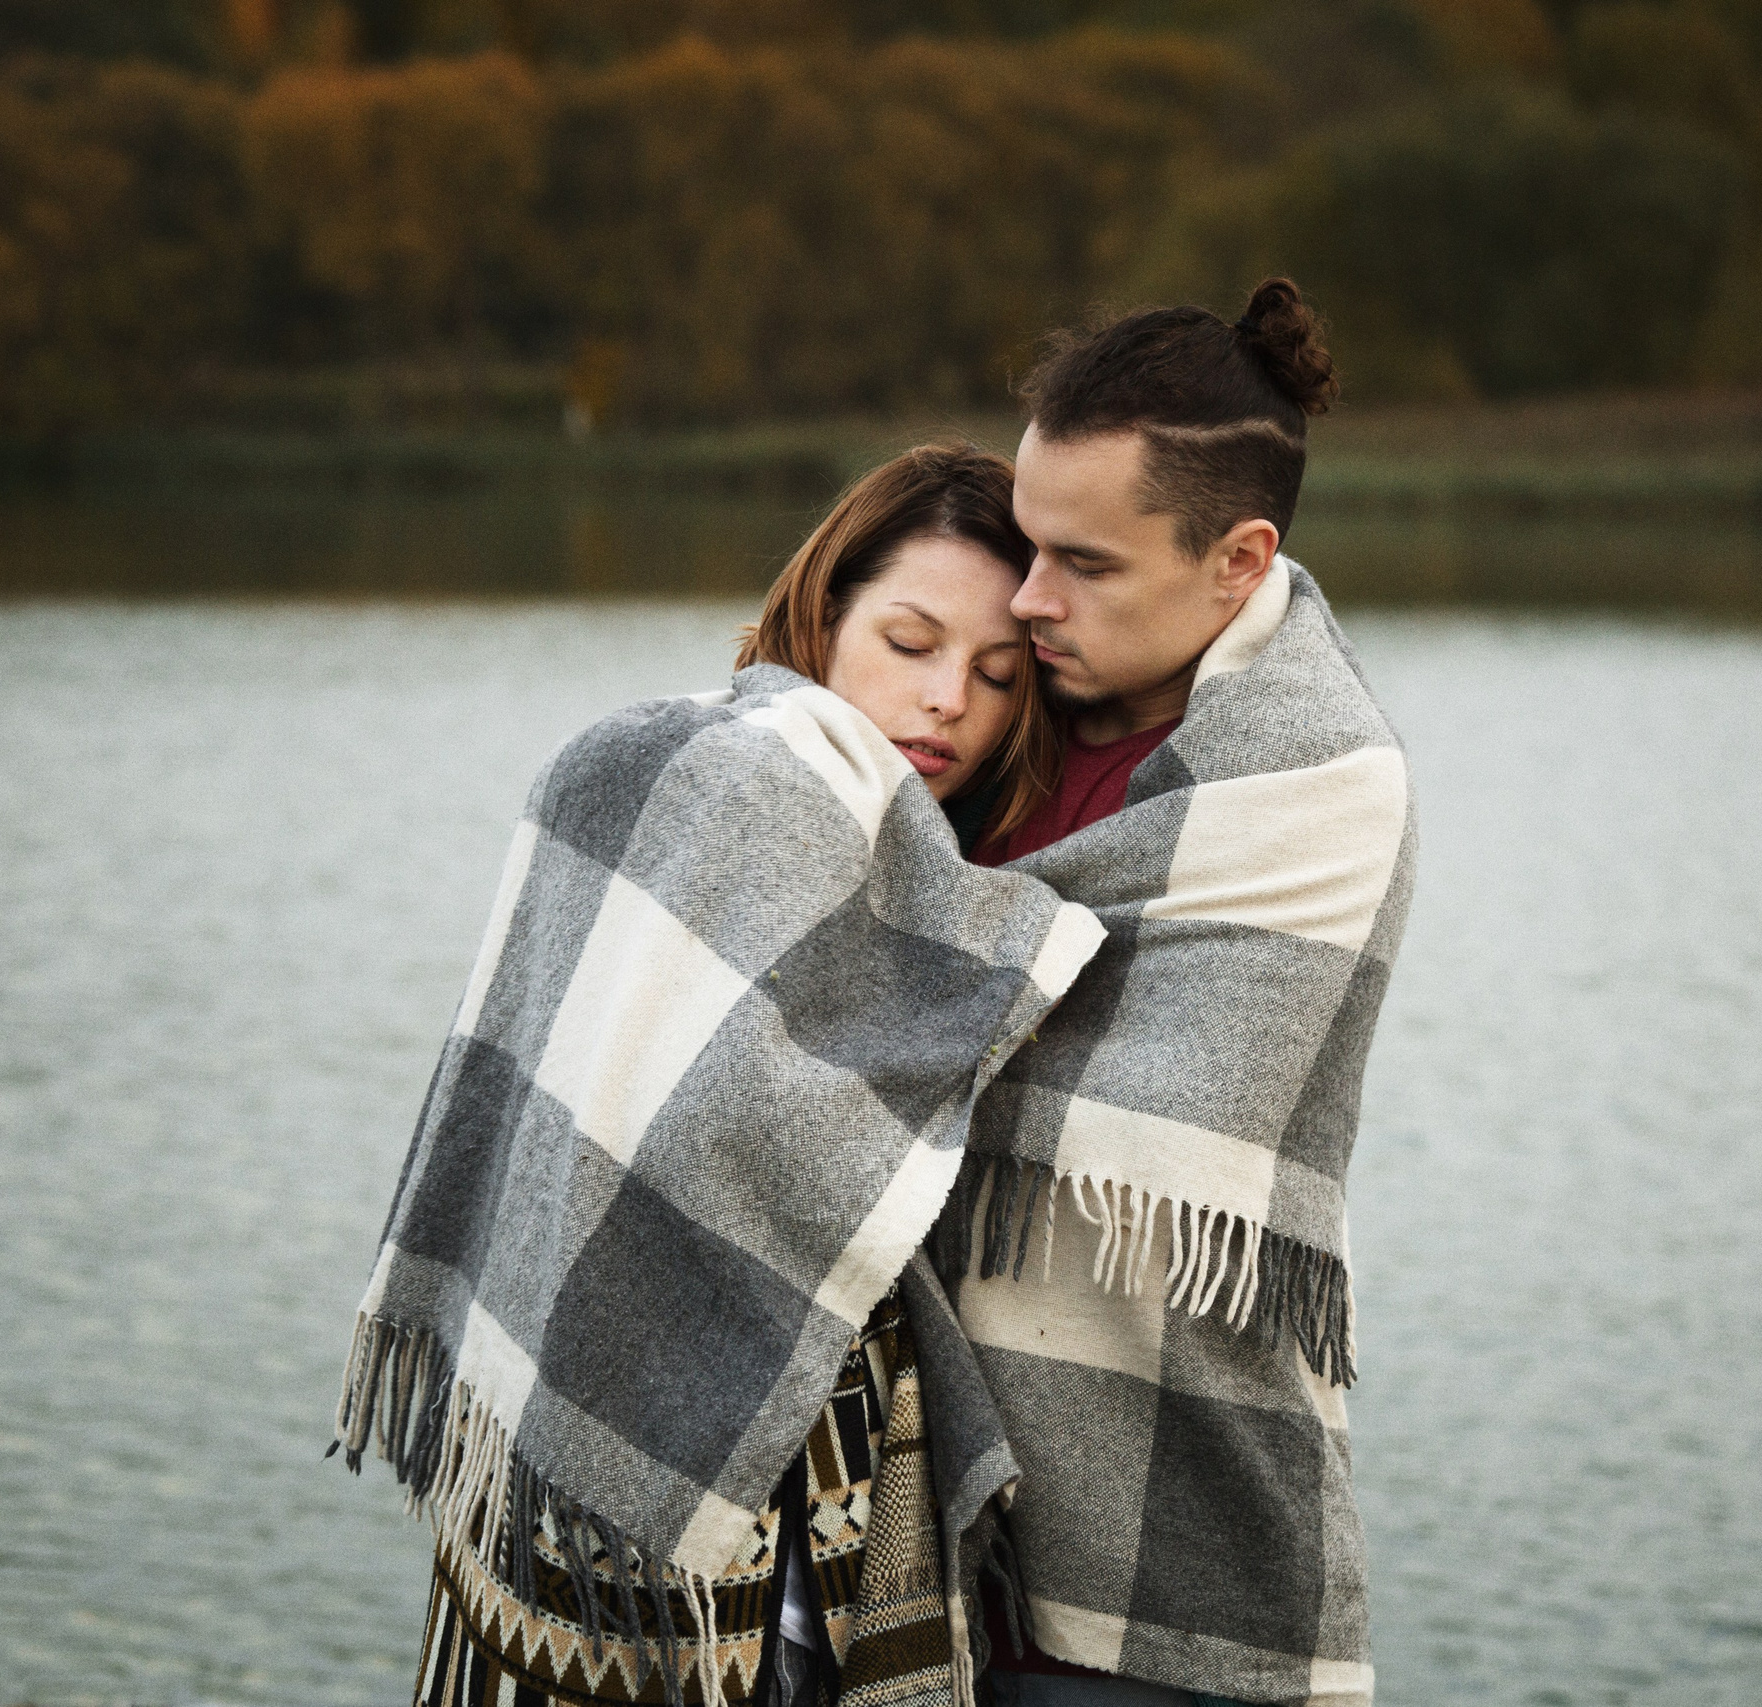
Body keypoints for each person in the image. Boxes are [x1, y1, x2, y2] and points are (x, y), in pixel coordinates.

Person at [342, 445, 1099, 1707]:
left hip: (817, 1463)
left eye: (995, 675)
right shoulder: (715, 770)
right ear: (825, 611)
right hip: (658, 1449)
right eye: (907, 641)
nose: (946, 702)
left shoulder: (923, 874)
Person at [938, 279, 1415, 1707]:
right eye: (1024, 545)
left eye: (1082, 562)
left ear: (1238, 556)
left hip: (1170, 1552)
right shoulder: (977, 708)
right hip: (901, 1539)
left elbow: (1137, 1116)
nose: (1027, 600)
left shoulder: (1317, 786)